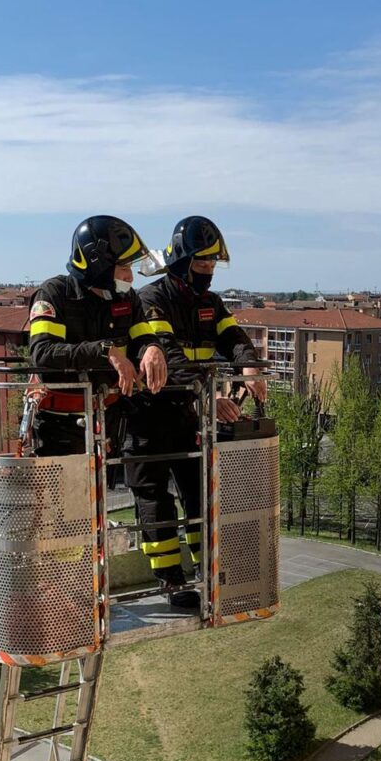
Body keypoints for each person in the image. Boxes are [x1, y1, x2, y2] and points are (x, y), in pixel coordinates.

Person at [126, 215, 264, 607]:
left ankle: (210, 573)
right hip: (147, 417)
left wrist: (248, 365)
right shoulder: (151, 301)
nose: (209, 273)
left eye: (212, 266)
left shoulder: (210, 303)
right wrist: (207, 400)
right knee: (155, 504)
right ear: (184, 262)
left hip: (187, 419)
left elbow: (234, 337)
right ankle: (171, 583)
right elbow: (167, 356)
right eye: (203, 265)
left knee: (200, 496)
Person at [28, 215, 167, 457]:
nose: (130, 278)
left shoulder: (127, 299)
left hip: (109, 418)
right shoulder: (54, 294)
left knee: (104, 493)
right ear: (98, 265)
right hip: (59, 424)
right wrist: (104, 351)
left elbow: (144, 337)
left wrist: (153, 348)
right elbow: (43, 353)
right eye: (124, 268)